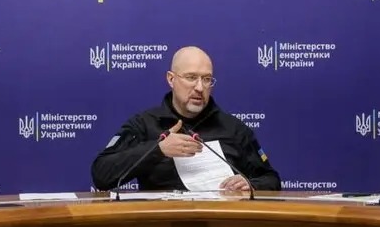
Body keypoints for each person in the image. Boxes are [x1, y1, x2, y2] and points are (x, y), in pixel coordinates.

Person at [91, 46, 281, 192]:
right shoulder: (144, 124)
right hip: (161, 225)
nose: (199, 87)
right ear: (171, 79)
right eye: (191, 77)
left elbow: (271, 179)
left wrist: (251, 184)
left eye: (207, 79)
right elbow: (101, 175)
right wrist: (158, 150)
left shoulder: (234, 129)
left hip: (219, 225)